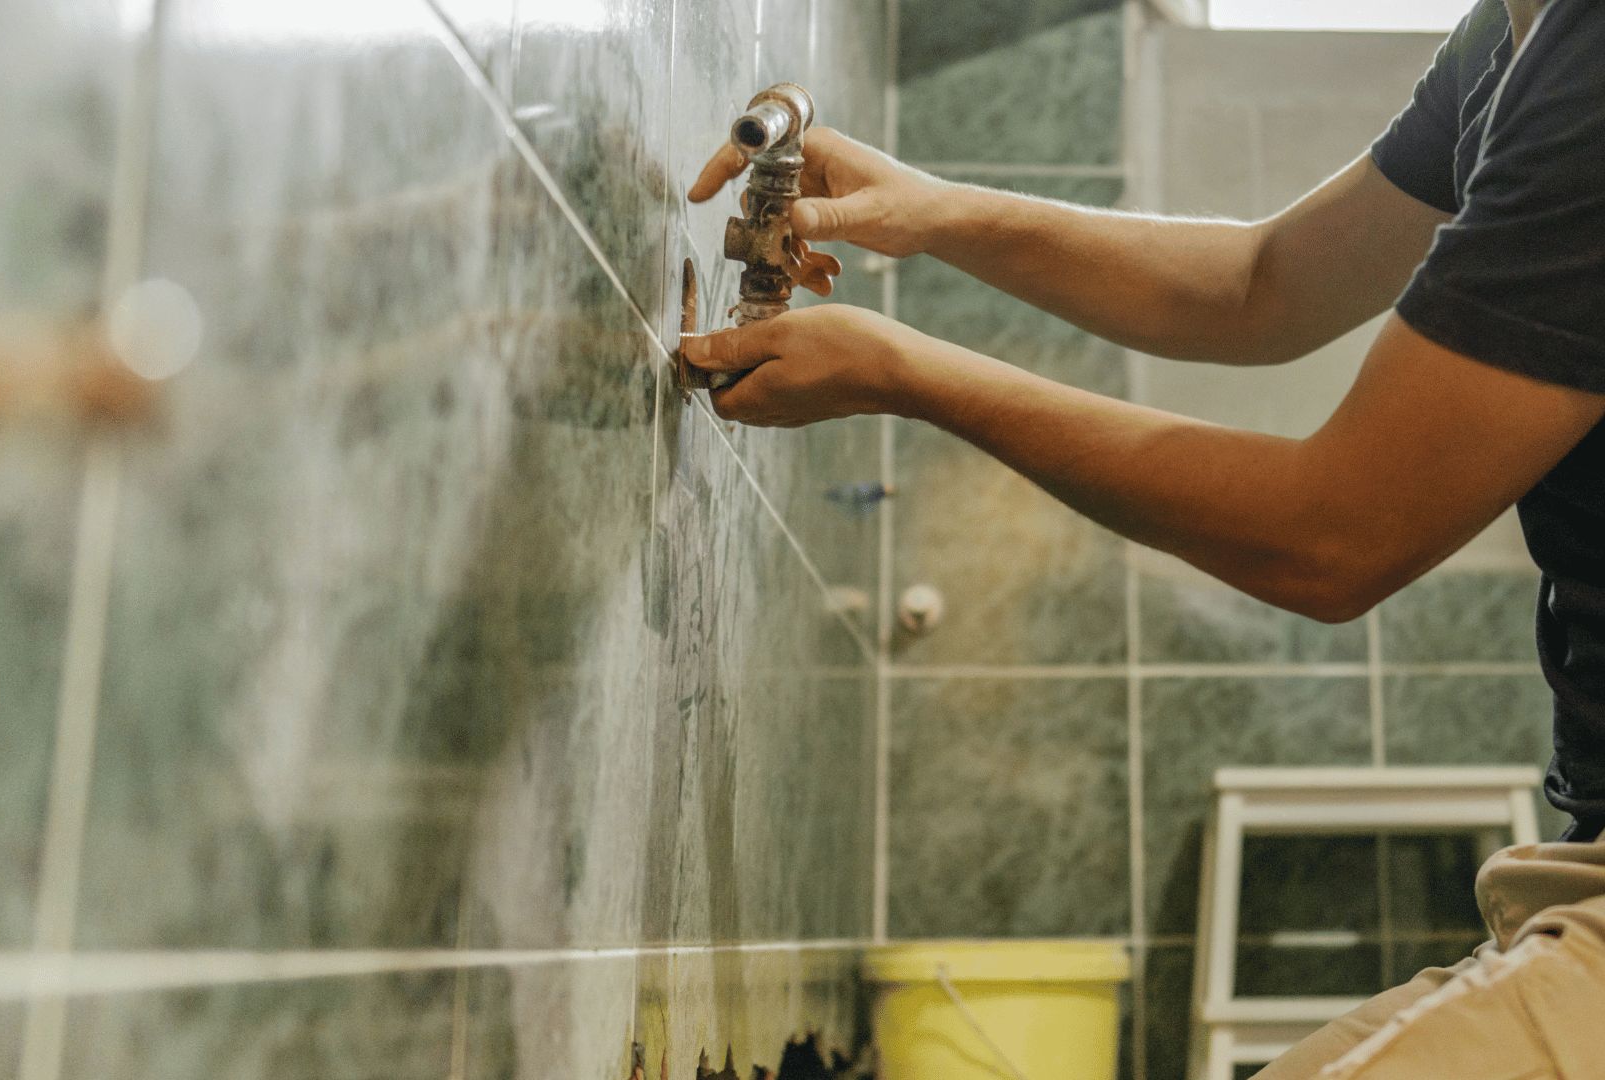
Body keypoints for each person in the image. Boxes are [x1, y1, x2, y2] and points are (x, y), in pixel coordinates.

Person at [682, 0, 1605, 1074]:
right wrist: (937, 213)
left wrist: (906, 372)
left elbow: (1332, 536)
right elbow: (1263, 288)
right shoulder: (1506, 41)